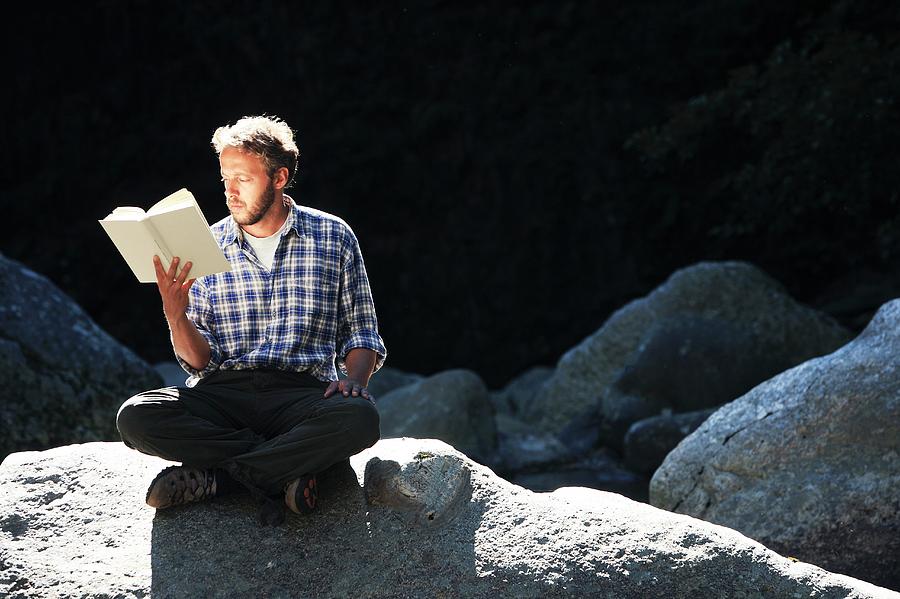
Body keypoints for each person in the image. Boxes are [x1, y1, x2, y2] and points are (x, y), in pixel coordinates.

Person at [115, 115, 386, 525]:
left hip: (302, 396)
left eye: (242, 178)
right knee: (136, 415)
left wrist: (354, 381)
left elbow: (361, 331)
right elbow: (199, 362)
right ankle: (286, 466)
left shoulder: (334, 236)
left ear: (279, 177)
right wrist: (175, 313)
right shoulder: (205, 244)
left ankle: (221, 479)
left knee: (360, 419)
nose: (230, 191)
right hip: (224, 395)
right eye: (225, 179)